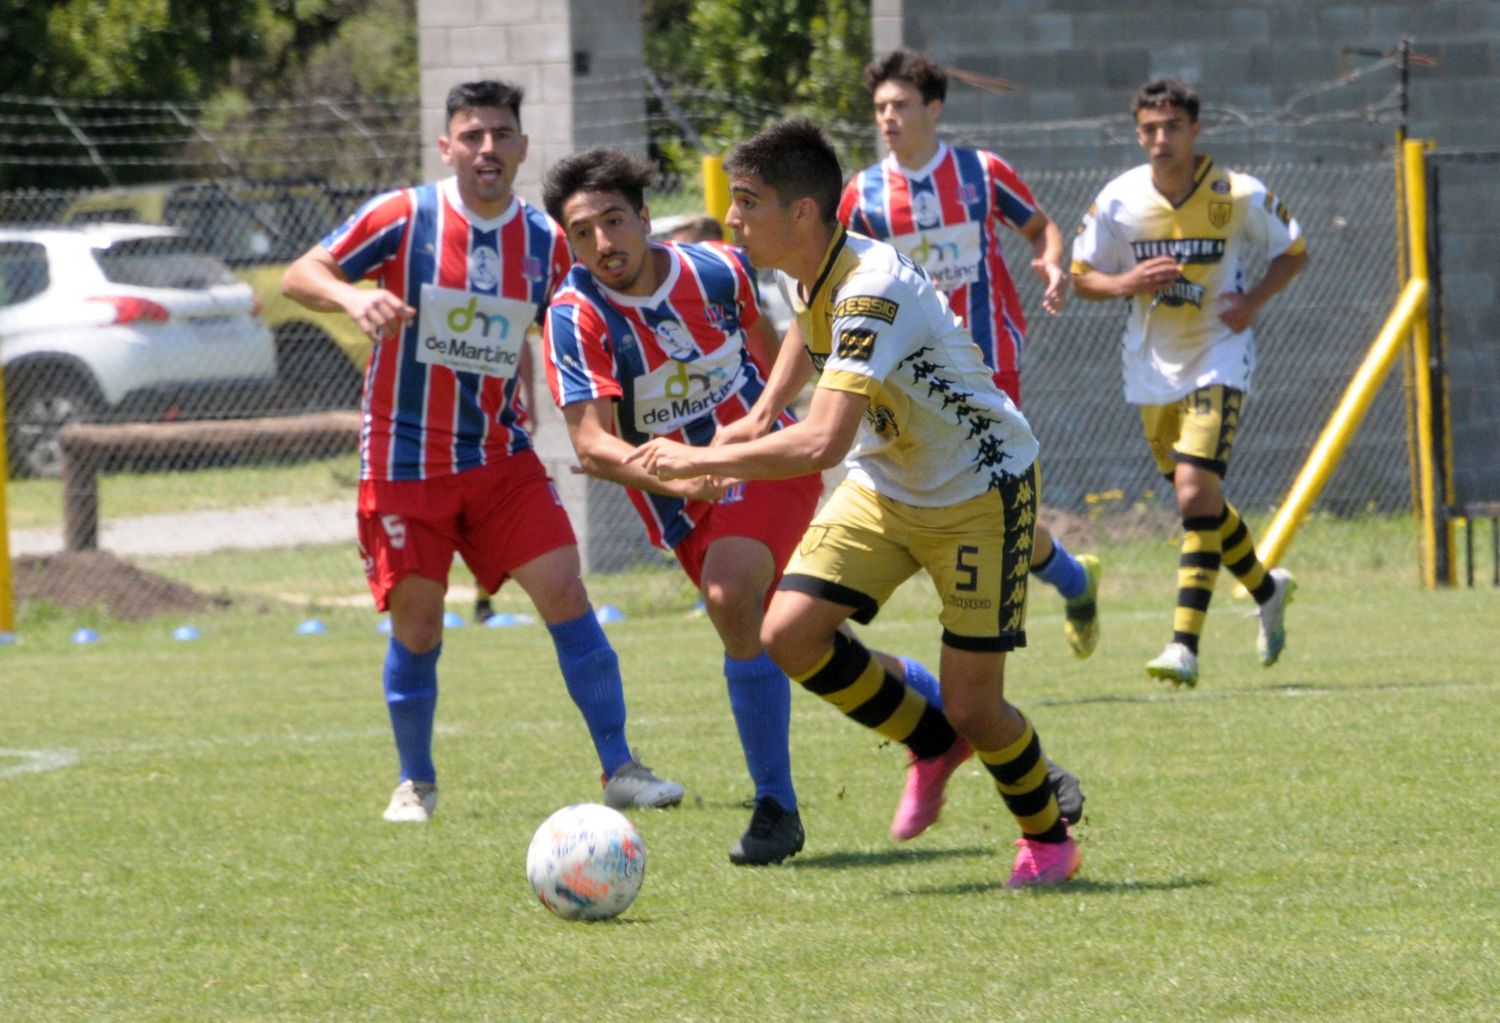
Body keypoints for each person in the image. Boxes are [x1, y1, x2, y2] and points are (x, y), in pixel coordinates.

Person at [628, 120, 1082, 887]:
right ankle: (930, 739)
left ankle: (1047, 834)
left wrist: (705, 455)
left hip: (982, 487)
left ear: (803, 212)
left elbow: (823, 445)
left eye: (747, 201)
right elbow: (809, 336)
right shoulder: (803, 269)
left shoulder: (873, 289)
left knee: (978, 705)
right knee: (789, 634)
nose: (732, 216)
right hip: (889, 482)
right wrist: (760, 410)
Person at [281, 80, 684, 822]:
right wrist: (350, 297)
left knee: (565, 590)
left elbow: (579, 321)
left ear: (523, 148)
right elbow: (300, 272)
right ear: (447, 147)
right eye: (472, 135)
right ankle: (416, 781)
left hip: (500, 459)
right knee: (419, 621)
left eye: (501, 134)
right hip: (403, 462)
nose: (487, 148)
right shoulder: (402, 217)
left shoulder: (545, 243)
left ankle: (620, 765)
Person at [539, 148, 819, 865]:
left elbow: (771, 362)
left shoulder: (719, 269)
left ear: (644, 217)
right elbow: (593, 445)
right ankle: (931, 716)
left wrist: (756, 433)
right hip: (682, 504)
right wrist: (680, 478)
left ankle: (776, 807)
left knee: (731, 596)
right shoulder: (574, 317)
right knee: (790, 637)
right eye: (582, 232)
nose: (603, 243)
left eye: (613, 221)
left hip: (766, 463)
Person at [840, 48, 1101, 662]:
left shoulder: (982, 172)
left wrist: (1052, 261)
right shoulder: (864, 194)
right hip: (909, 374)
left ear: (934, 107)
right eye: (879, 108)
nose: (887, 117)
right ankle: (1072, 578)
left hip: (988, 358)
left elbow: (1040, 227)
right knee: (965, 499)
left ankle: (984, 646)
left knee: (992, 492)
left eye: (900, 105)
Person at [1070, 78, 1306, 688]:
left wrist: (1252, 302)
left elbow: (1294, 249)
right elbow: (1080, 275)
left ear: (1195, 130)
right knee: (1198, 500)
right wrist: (1128, 283)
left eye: (1172, 126)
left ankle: (1184, 647)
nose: (1160, 138)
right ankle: (1265, 587)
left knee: (1194, 491)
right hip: (1149, 368)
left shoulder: (1236, 193)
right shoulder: (1119, 200)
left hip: (1219, 358)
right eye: (1149, 128)